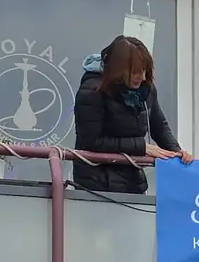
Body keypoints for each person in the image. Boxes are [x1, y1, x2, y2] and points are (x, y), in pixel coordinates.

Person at [73, 35, 192, 194]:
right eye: (136, 72)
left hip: (133, 182)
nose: (142, 77)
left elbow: (159, 126)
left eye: (145, 71)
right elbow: (90, 141)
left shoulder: (146, 90)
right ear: (119, 69)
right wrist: (142, 147)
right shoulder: (92, 92)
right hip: (96, 184)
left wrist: (177, 152)